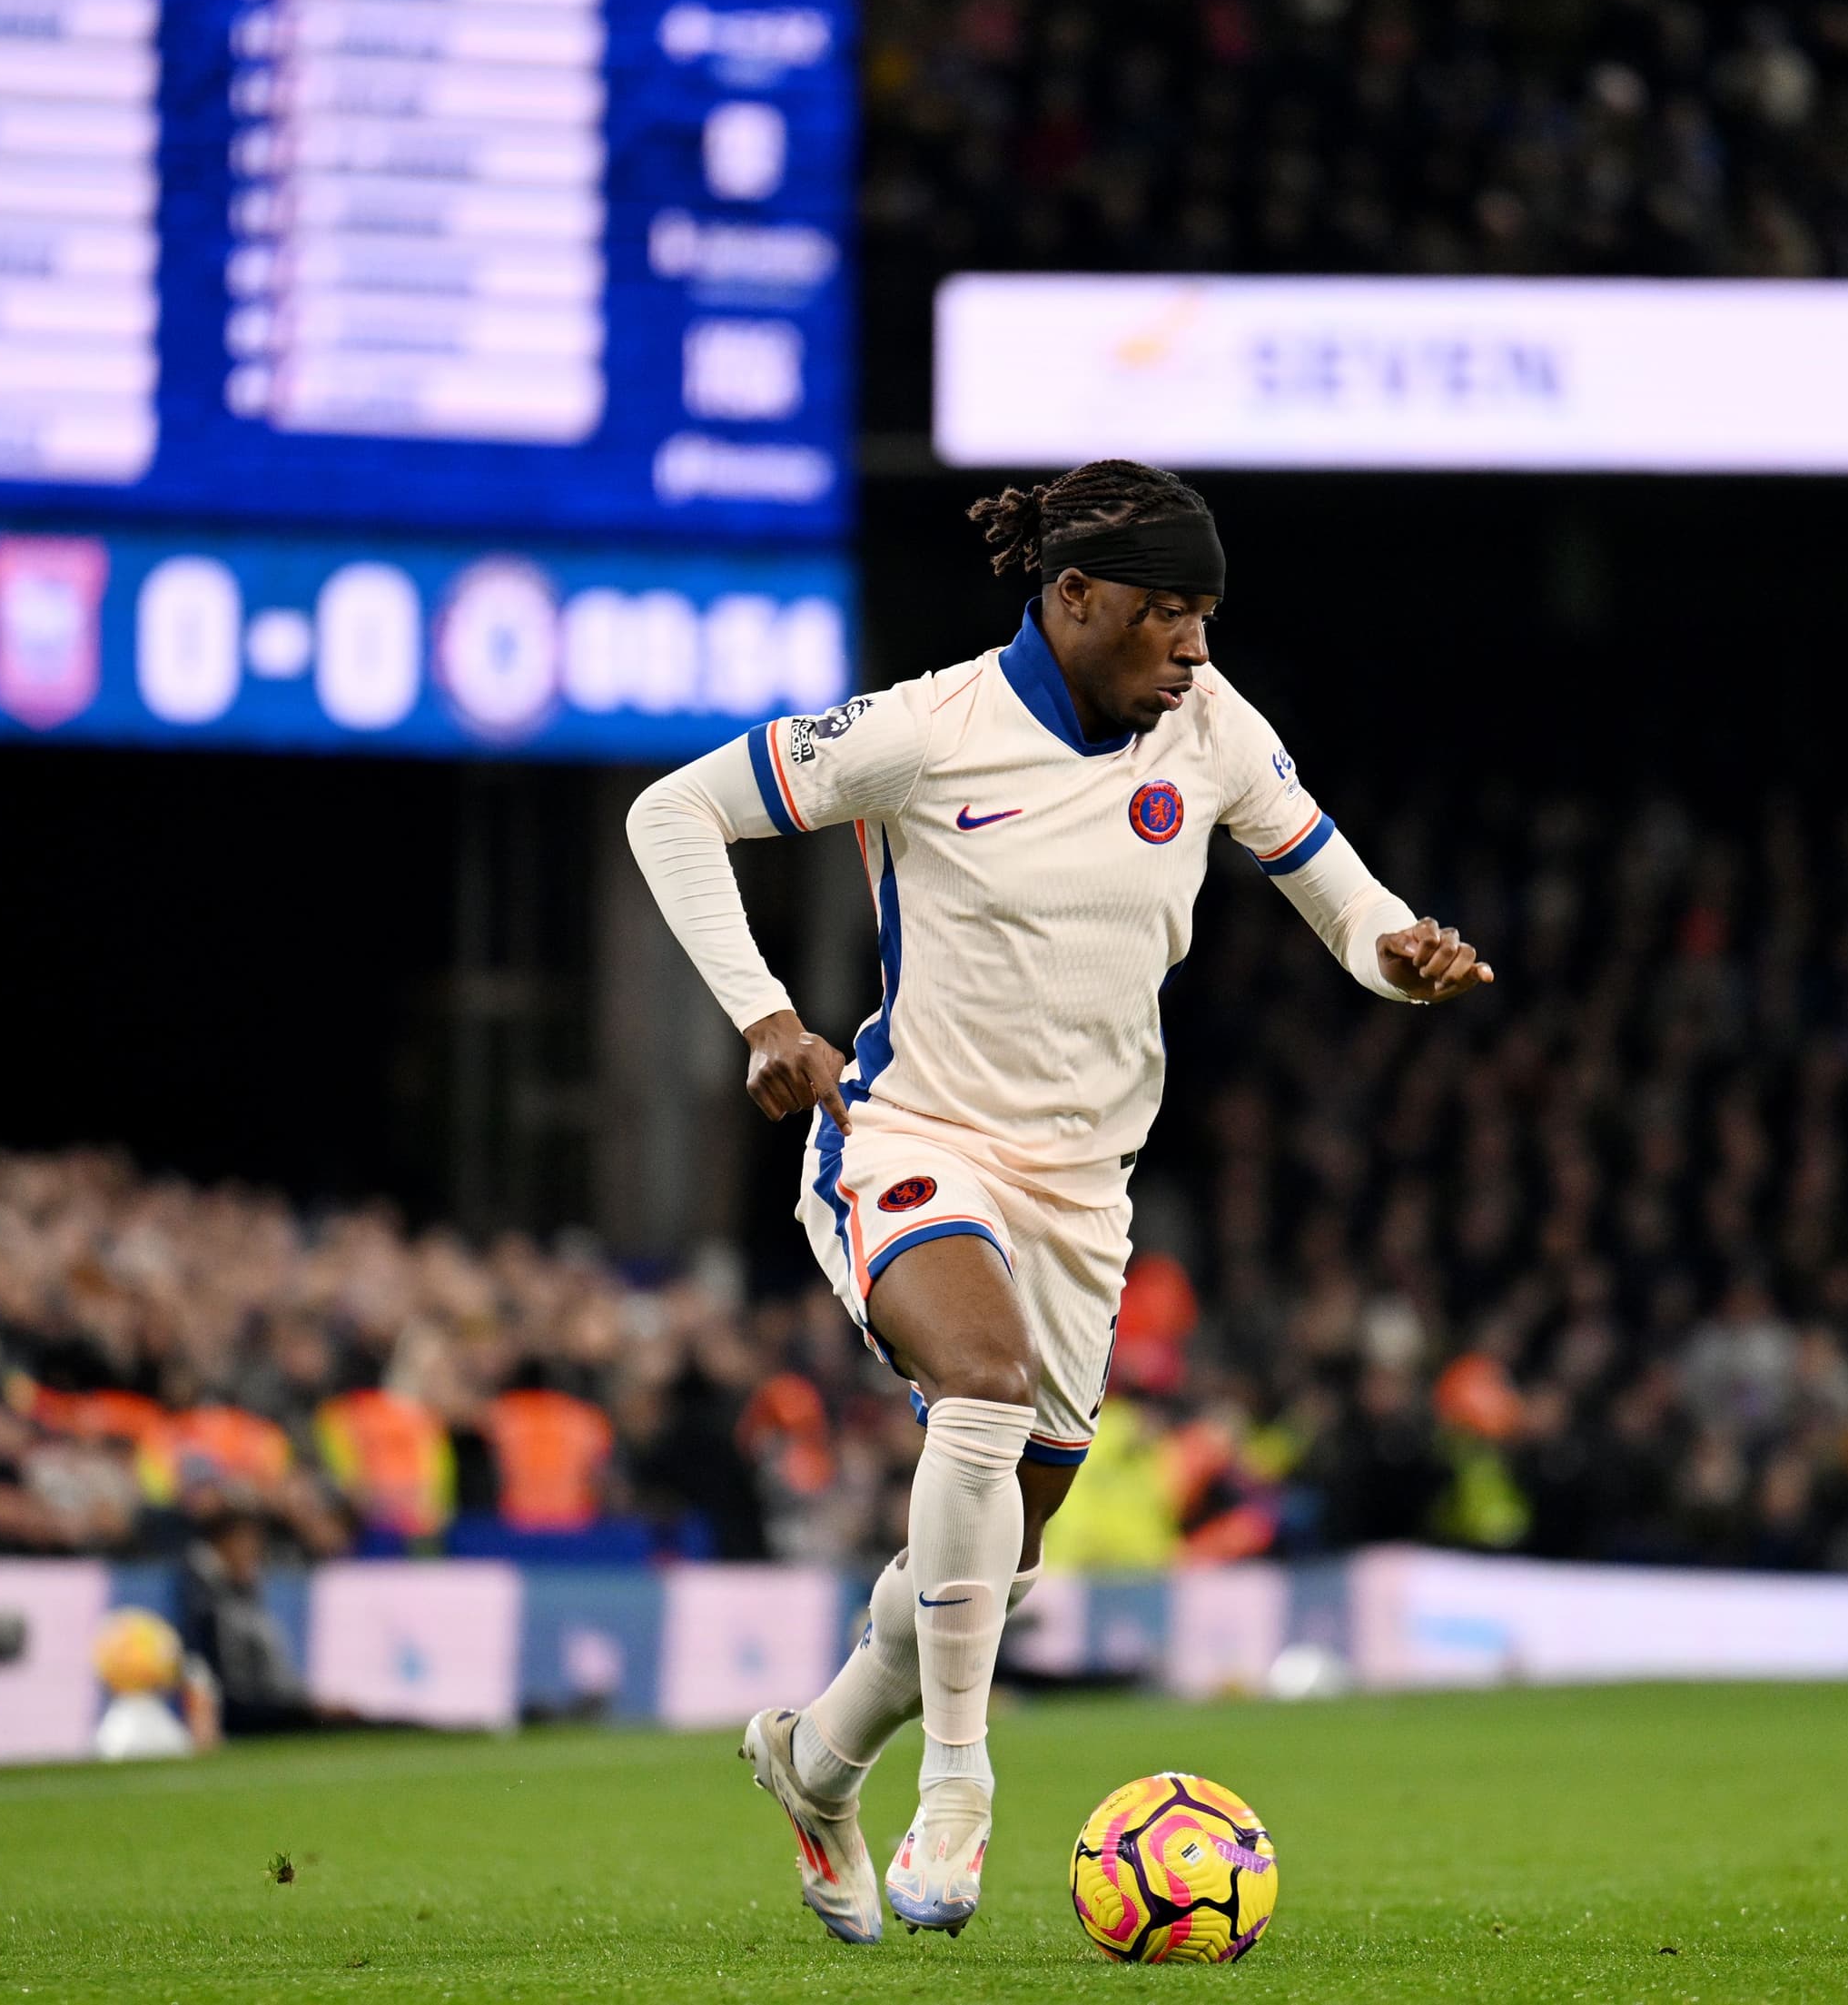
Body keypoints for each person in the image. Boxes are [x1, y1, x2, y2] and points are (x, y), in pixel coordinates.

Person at [626, 459, 1492, 1939]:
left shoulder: (1213, 731)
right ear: (1073, 599)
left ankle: (815, 1758)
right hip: (912, 1136)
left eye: (1208, 616)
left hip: (1084, 1196)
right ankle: (955, 1787)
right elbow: (671, 813)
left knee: (992, 1558)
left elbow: (1343, 899)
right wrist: (767, 1016)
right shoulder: (924, 729)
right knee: (981, 1379)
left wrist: (1398, 955)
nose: (1196, 647)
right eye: (1168, 615)